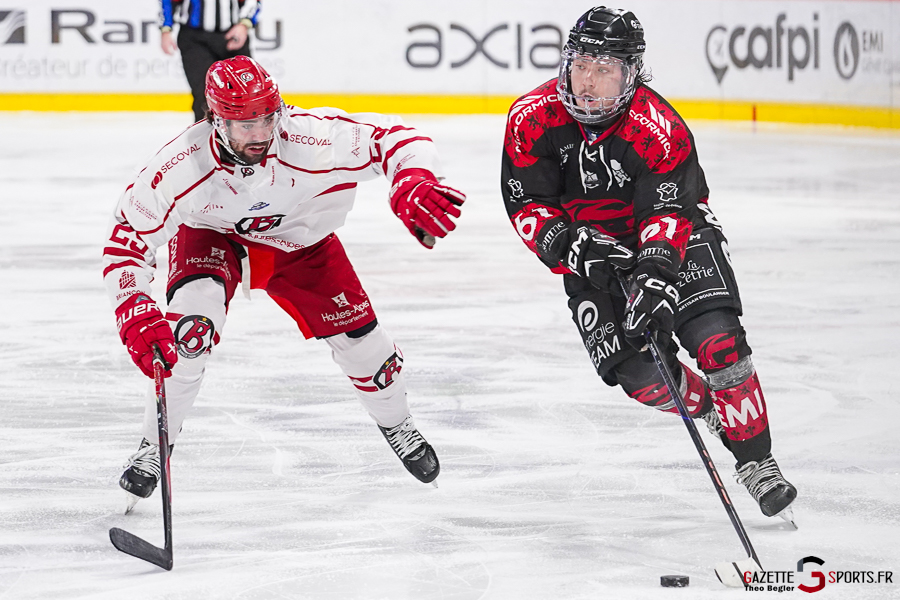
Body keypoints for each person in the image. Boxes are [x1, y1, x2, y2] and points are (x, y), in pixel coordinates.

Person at [103, 56, 465, 510]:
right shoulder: (181, 164)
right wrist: (132, 305)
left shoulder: (312, 139)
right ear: (216, 119)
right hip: (212, 236)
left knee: (368, 347)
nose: (259, 135)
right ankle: (155, 445)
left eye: (266, 118)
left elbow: (395, 137)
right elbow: (127, 237)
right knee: (188, 335)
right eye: (243, 123)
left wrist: (413, 178)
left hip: (302, 244)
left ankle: (397, 422)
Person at [500, 7, 797, 521]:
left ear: (631, 72)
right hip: (589, 250)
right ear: (566, 62)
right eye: (582, 65)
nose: (589, 82)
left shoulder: (659, 128)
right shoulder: (531, 118)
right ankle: (714, 412)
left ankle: (757, 461)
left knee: (717, 340)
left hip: (676, 234)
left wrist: (656, 276)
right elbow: (526, 201)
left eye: (606, 69)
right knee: (642, 375)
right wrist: (572, 247)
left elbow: (666, 210)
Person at [159, 0, 260, 121]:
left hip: (232, 34)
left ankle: (246, 138)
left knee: (246, 93)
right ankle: (205, 138)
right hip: (194, 38)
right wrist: (166, 28)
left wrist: (244, 24)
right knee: (205, 96)